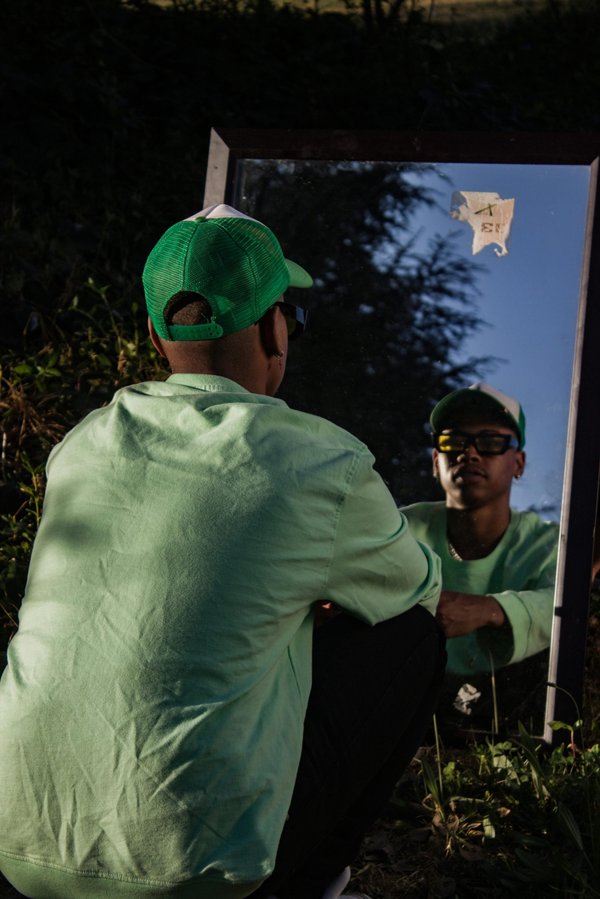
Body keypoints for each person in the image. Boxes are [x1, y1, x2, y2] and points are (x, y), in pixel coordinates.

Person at [0, 204, 446, 899]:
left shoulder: (82, 444)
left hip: (19, 852)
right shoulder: (322, 461)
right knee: (412, 638)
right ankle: (307, 884)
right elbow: (419, 590)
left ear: (156, 335)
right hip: (192, 875)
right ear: (274, 330)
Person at [402, 382, 558, 728]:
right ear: (435, 461)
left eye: (490, 442)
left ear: (518, 463)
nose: (469, 453)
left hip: (517, 718)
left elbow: (566, 607)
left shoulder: (550, 544)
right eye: (453, 441)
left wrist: (490, 609)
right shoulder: (400, 530)